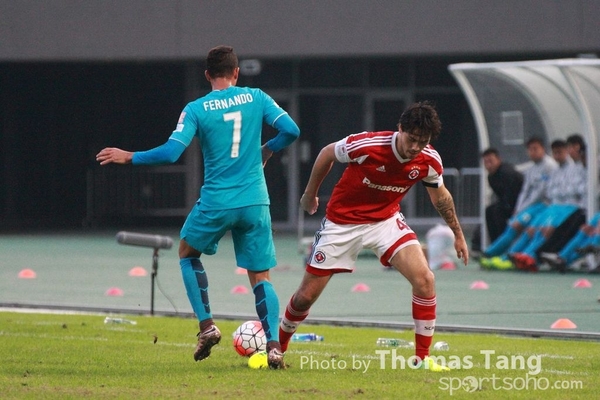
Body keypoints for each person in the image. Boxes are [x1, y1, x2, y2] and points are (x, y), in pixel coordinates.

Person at [96, 45, 300, 369]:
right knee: (261, 275)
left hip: (217, 201)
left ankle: (207, 327)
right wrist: (268, 148)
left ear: (207, 75)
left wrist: (130, 156)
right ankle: (274, 347)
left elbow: (171, 152)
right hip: (254, 201)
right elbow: (291, 130)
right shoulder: (257, 97)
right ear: (236, 72)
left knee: (187, 252)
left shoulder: (196, 109)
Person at [277, 101, 469, 372]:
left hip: (385, 221)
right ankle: (277, 348)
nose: (415, 147)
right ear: (400, 128)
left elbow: (441, 197)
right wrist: (310, 194)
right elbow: (327, 153)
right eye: (412, 139)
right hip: (342, 223)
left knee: (425, 279)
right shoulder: (368, 145)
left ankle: (422, 359)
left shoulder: (429, 159)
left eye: (423, 141)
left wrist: (458, 234)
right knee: (305, 297)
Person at [480, 137, 557, 269]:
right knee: (513, 224)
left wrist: (523, 208)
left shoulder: (549, 166)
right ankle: (492, 253)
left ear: (543, 149)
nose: (532, 152)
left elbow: (539, 193)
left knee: (522, 227)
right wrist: (519, 208)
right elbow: (525, 191)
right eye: (530, 150)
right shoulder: (532, 167)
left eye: (535, 149)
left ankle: (507, 257)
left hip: (544, 205)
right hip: (532, 206)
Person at [509, 139, 586, 271]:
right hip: (556, 206)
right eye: (555, 153)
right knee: (533, 229)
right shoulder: (556, 170)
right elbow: (551, 191)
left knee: (547, 230)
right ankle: (516, 255)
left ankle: (532, 256)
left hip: (569, 207)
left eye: (560, 152)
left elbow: (575, 191)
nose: (557, 156)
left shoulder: (575, 168)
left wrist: (564, 192)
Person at [471, 148, 523, 251]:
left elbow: (515, 193)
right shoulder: (491, 177)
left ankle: (503, 245)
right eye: (486, 162)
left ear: (498, 160)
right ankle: (495, 242)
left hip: (519, 204)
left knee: (498, 212)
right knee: (489, 210)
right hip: (507, 204)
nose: (488, 165)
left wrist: (514, 208)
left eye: (491, 161)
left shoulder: (507, 173)